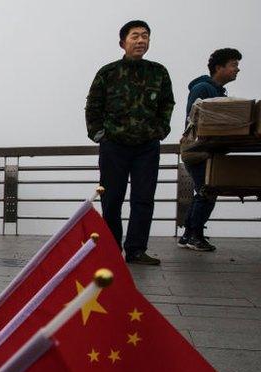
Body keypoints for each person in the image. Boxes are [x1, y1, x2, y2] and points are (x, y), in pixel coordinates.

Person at [85, 20, 174, 266]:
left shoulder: (158, 72)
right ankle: (112, 248)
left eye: (145, 36)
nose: (141, 40)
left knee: (143, 198)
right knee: (111, 198)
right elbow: (93, 105)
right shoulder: (108, 72)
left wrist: (161, 129)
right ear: (123, 42)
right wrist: (98, 134)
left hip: (147, 145)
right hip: (114, 145)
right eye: (135, 36)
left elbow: (167, 103)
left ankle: (136, 250)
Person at [179, 48, 242, 252]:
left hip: (207, 150)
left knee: (205, 190)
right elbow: (195, 118)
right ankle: (194, 235)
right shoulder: (202, 89)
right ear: (218, 67)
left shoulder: (217, 91)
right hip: (198, 150)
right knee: (207, 190)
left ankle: (189, 234)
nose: (237, 69)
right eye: (233, 64)